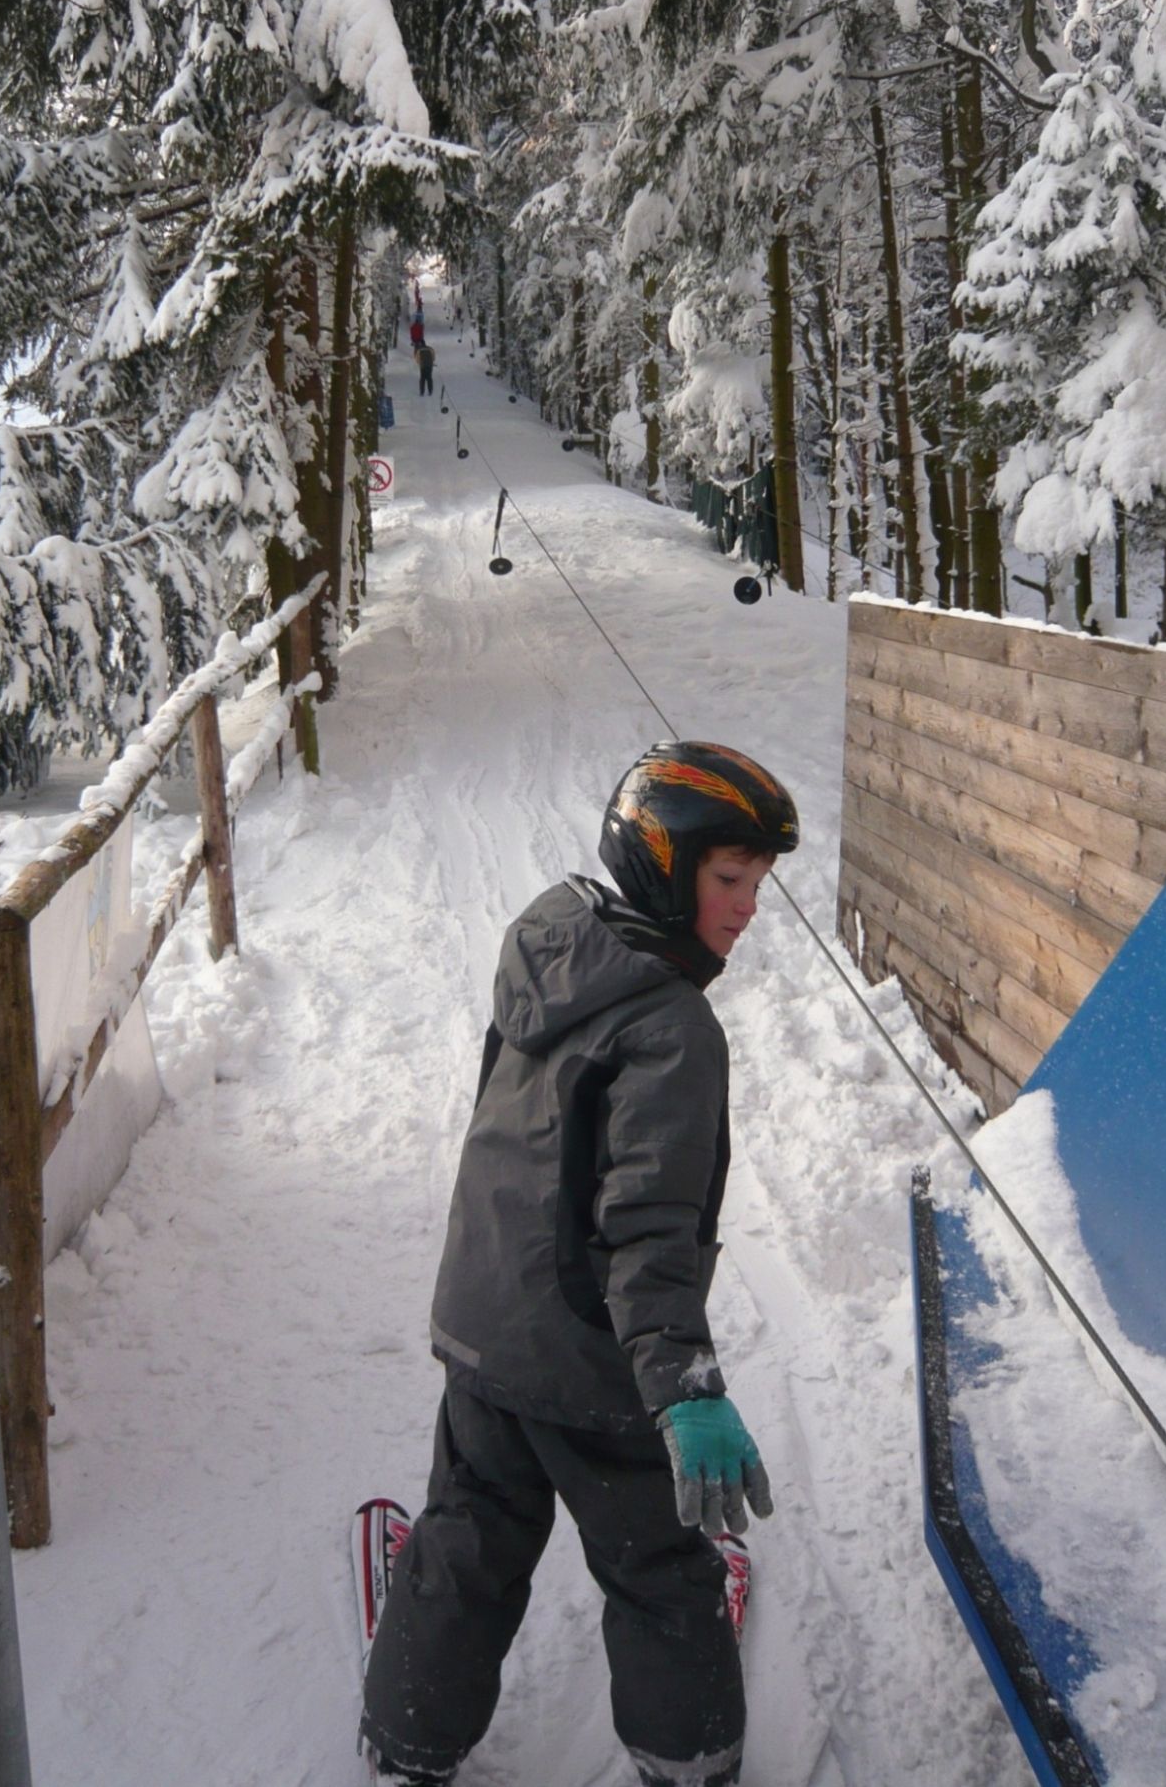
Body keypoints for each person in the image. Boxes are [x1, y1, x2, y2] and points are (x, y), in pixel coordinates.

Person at [360, 743, 799, 1787]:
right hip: (589, 1363)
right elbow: (645, 1225)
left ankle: (407, 1745)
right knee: (656, 1568)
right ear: (661, 867)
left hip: (484, 1326)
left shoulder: (553, 951)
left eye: (758, 883)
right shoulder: (671, 1026)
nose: (746, 908)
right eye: (728, 879)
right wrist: (681, 1386)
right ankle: (687, 1758)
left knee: (466, 1542)